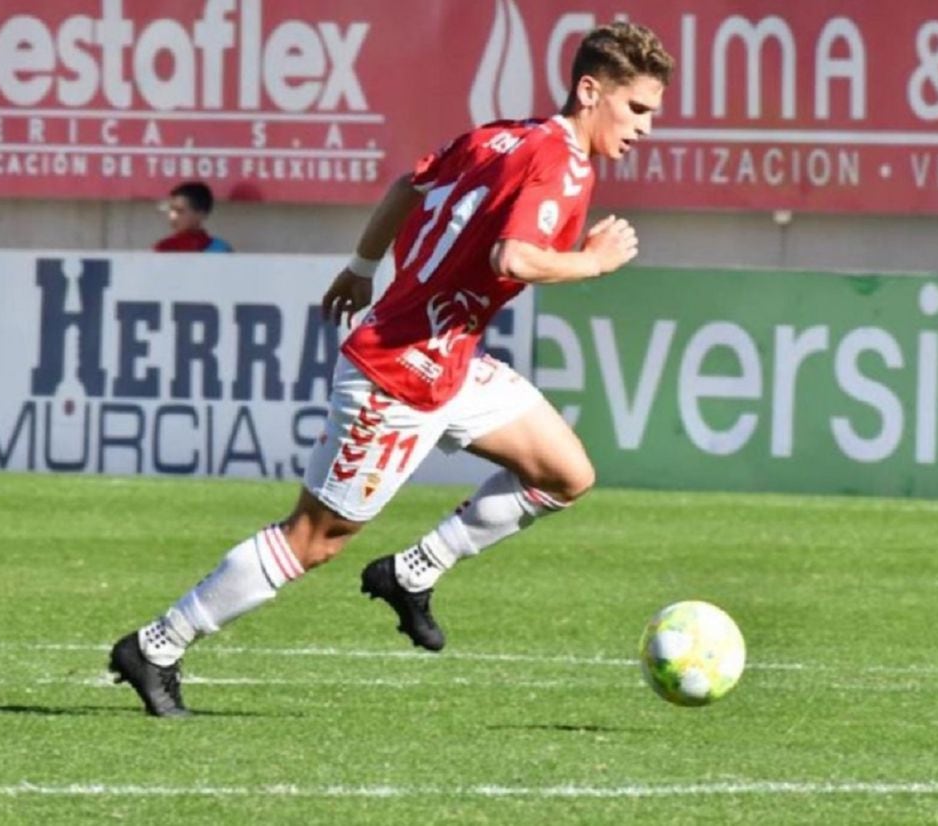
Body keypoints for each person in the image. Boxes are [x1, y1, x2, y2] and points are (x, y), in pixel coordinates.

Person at [110, 21, 675, 717]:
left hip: (450, 358)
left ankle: (411, 574)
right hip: (400, 372)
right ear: (591, 91)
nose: (645, 127)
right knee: (313, 540)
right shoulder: (562, 162)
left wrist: (360, 266)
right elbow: (514, 258)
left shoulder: (501, 135)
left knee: (565, 473)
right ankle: (158, 644)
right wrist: (593, 261)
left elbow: (412, 182)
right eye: (638, 108)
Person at [153, 181, 234, 252]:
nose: (172, 216)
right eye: (171, 210)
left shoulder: (221, 250)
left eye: (180, 211)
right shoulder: (163, 248)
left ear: (201, 214)